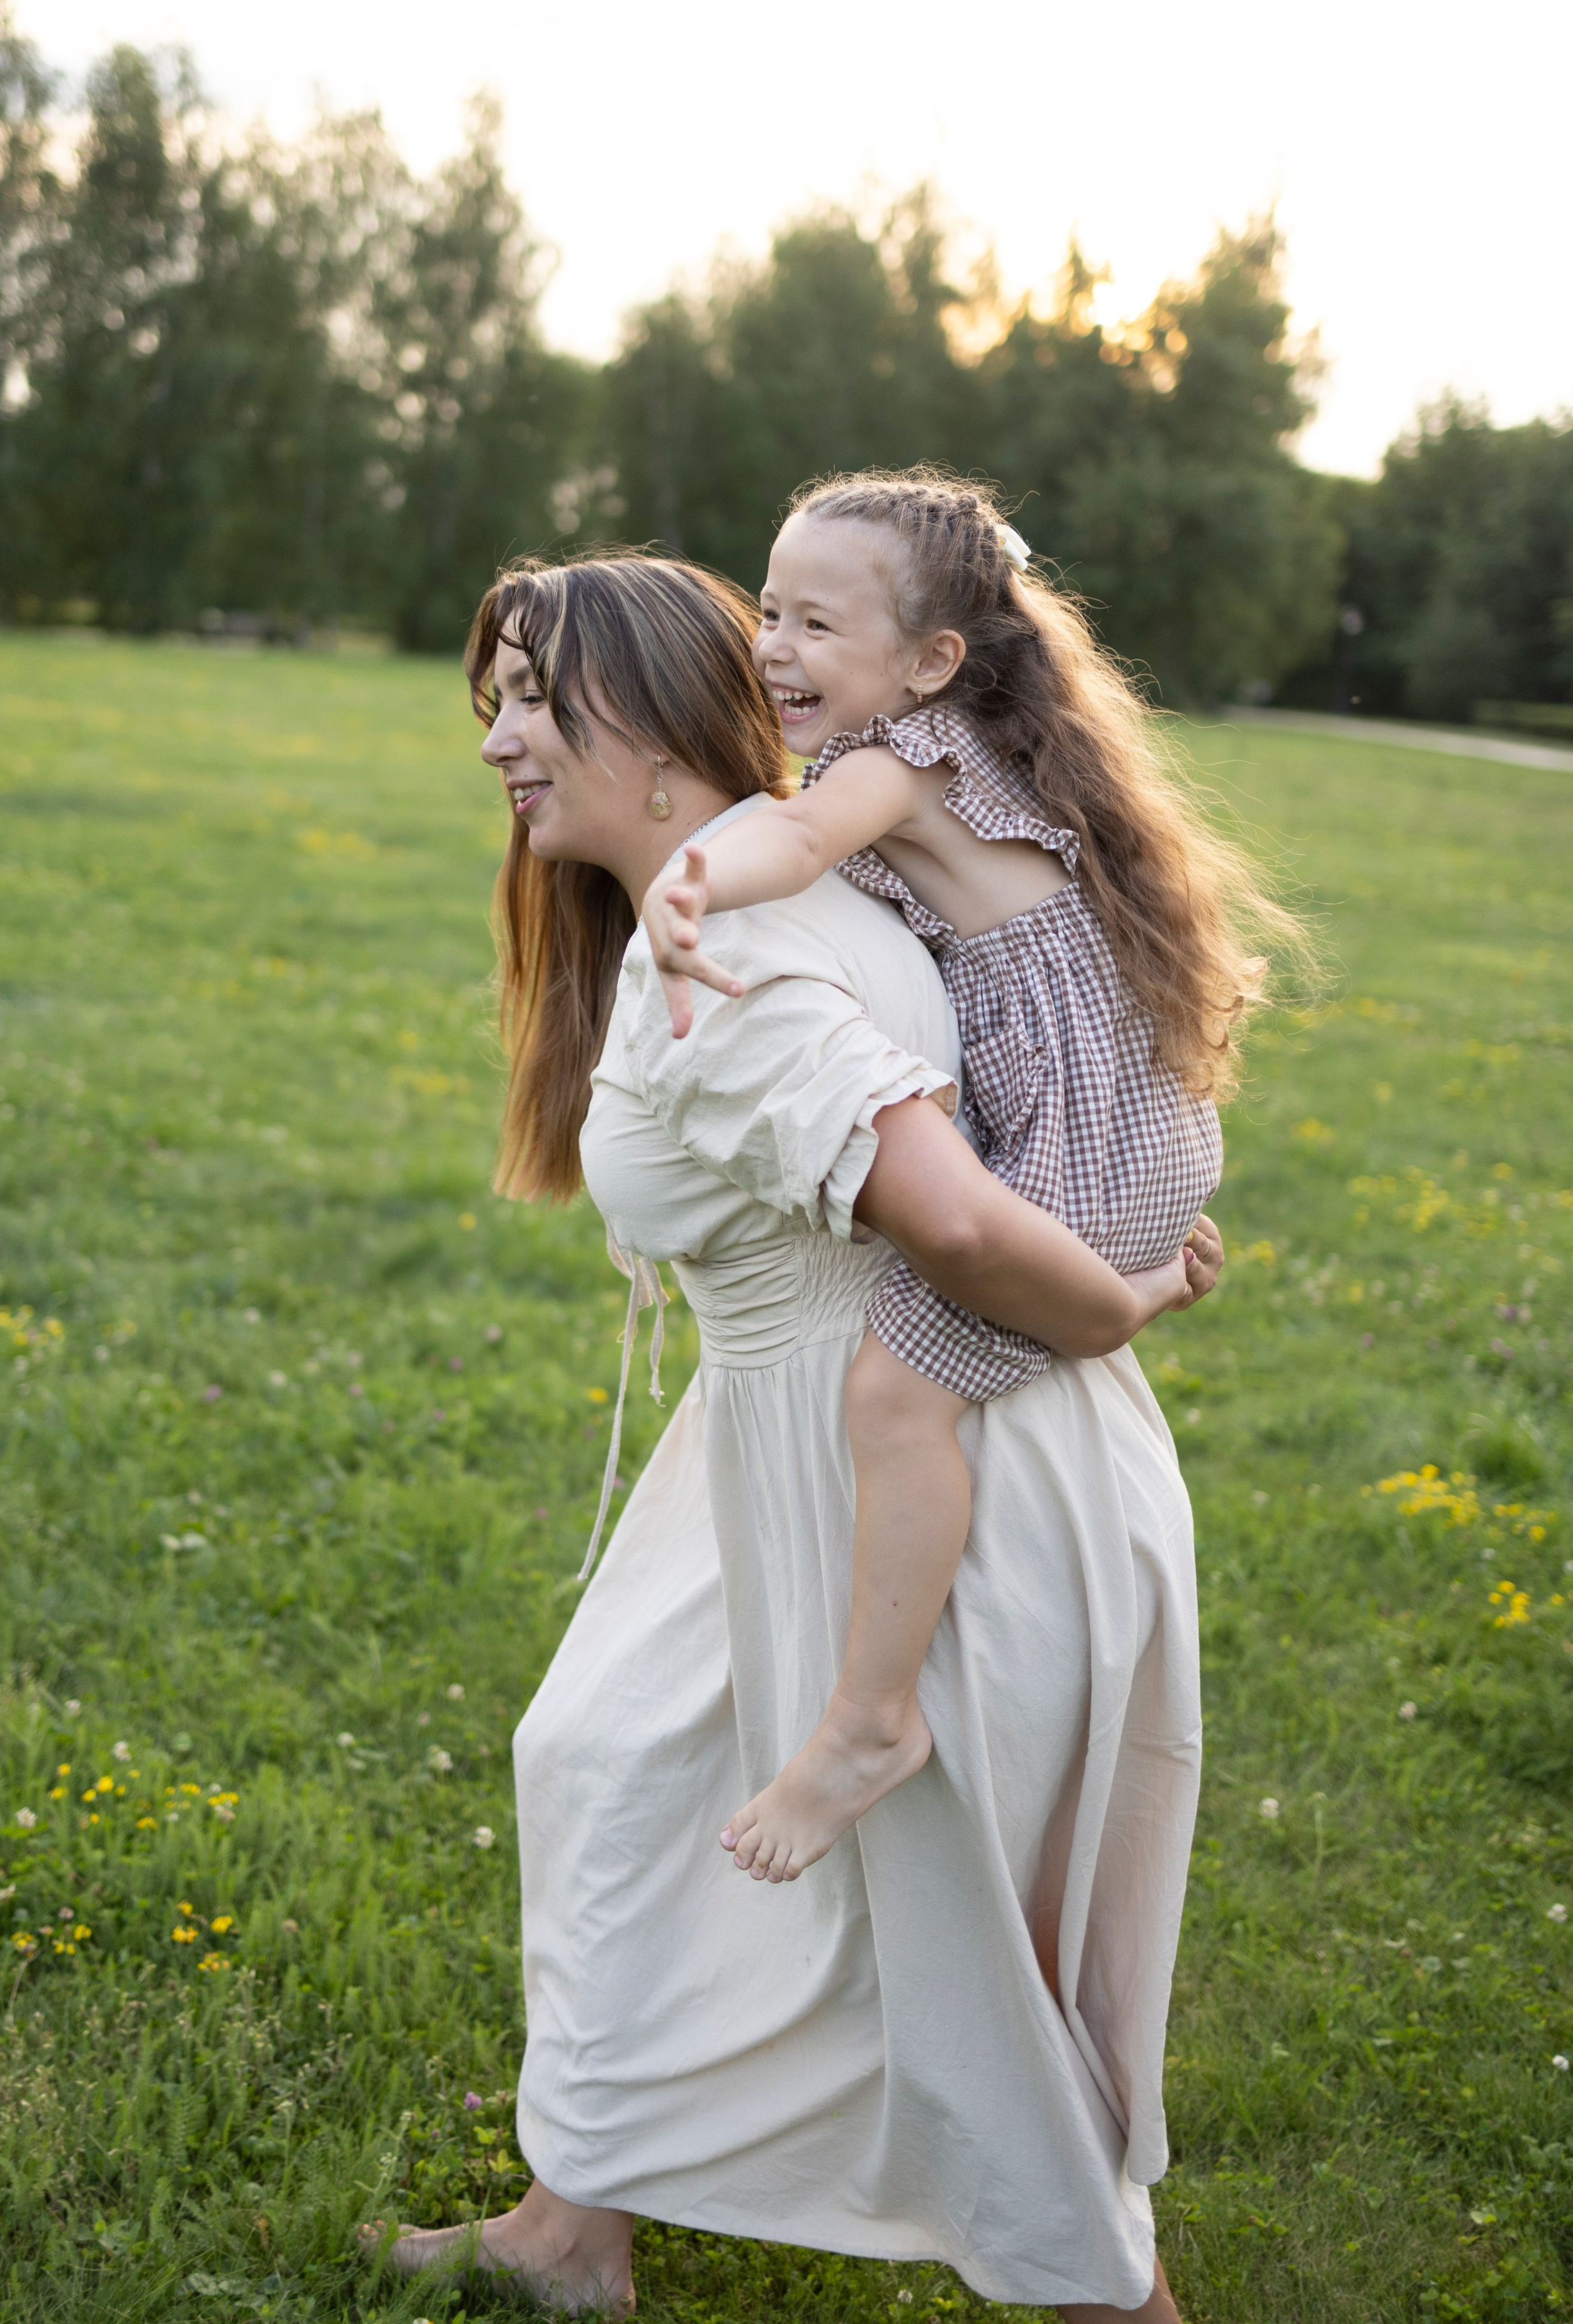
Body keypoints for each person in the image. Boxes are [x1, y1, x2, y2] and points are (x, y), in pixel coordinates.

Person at [366, 547, 1220, 2321]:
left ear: (663, 731)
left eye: (533, 699)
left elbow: (959, 1222)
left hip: (907, 1462)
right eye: (494, 701)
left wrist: (1124, 1301)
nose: (497, 742)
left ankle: (1105, 2298)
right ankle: (569, 2222)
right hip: (784, 1438)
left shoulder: (735, 957)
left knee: (949, 1955)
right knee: (610, 1755)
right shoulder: (760, 898)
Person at [638, 469, 1297, 1891]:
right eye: (767, 609)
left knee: (893, 1391)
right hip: (1123, 1128)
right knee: (937, 1346)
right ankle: (1131, 1283)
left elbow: (798, 837)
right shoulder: (966, 748)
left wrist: (683, 881)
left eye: (816, 623)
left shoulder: (912, 754)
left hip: (1087, 1142)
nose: (773, 649)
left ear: (930, 660)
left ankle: (869, 1724)